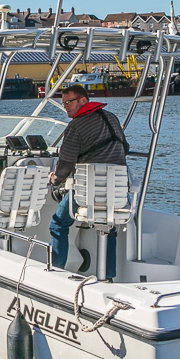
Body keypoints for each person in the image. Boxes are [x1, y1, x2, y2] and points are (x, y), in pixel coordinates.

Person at [48, 83, 128, 272]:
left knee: (58, 223)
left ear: (83, 100)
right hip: (115, 191)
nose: (65, 107)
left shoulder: (76, 126)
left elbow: (66, 163)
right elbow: (125, 147)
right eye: (64, 103)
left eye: (69, 102)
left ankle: (56, 270)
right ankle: (108, 276)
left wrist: (55, 179)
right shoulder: (111, 118)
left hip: (87, 189)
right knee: (109, 225)